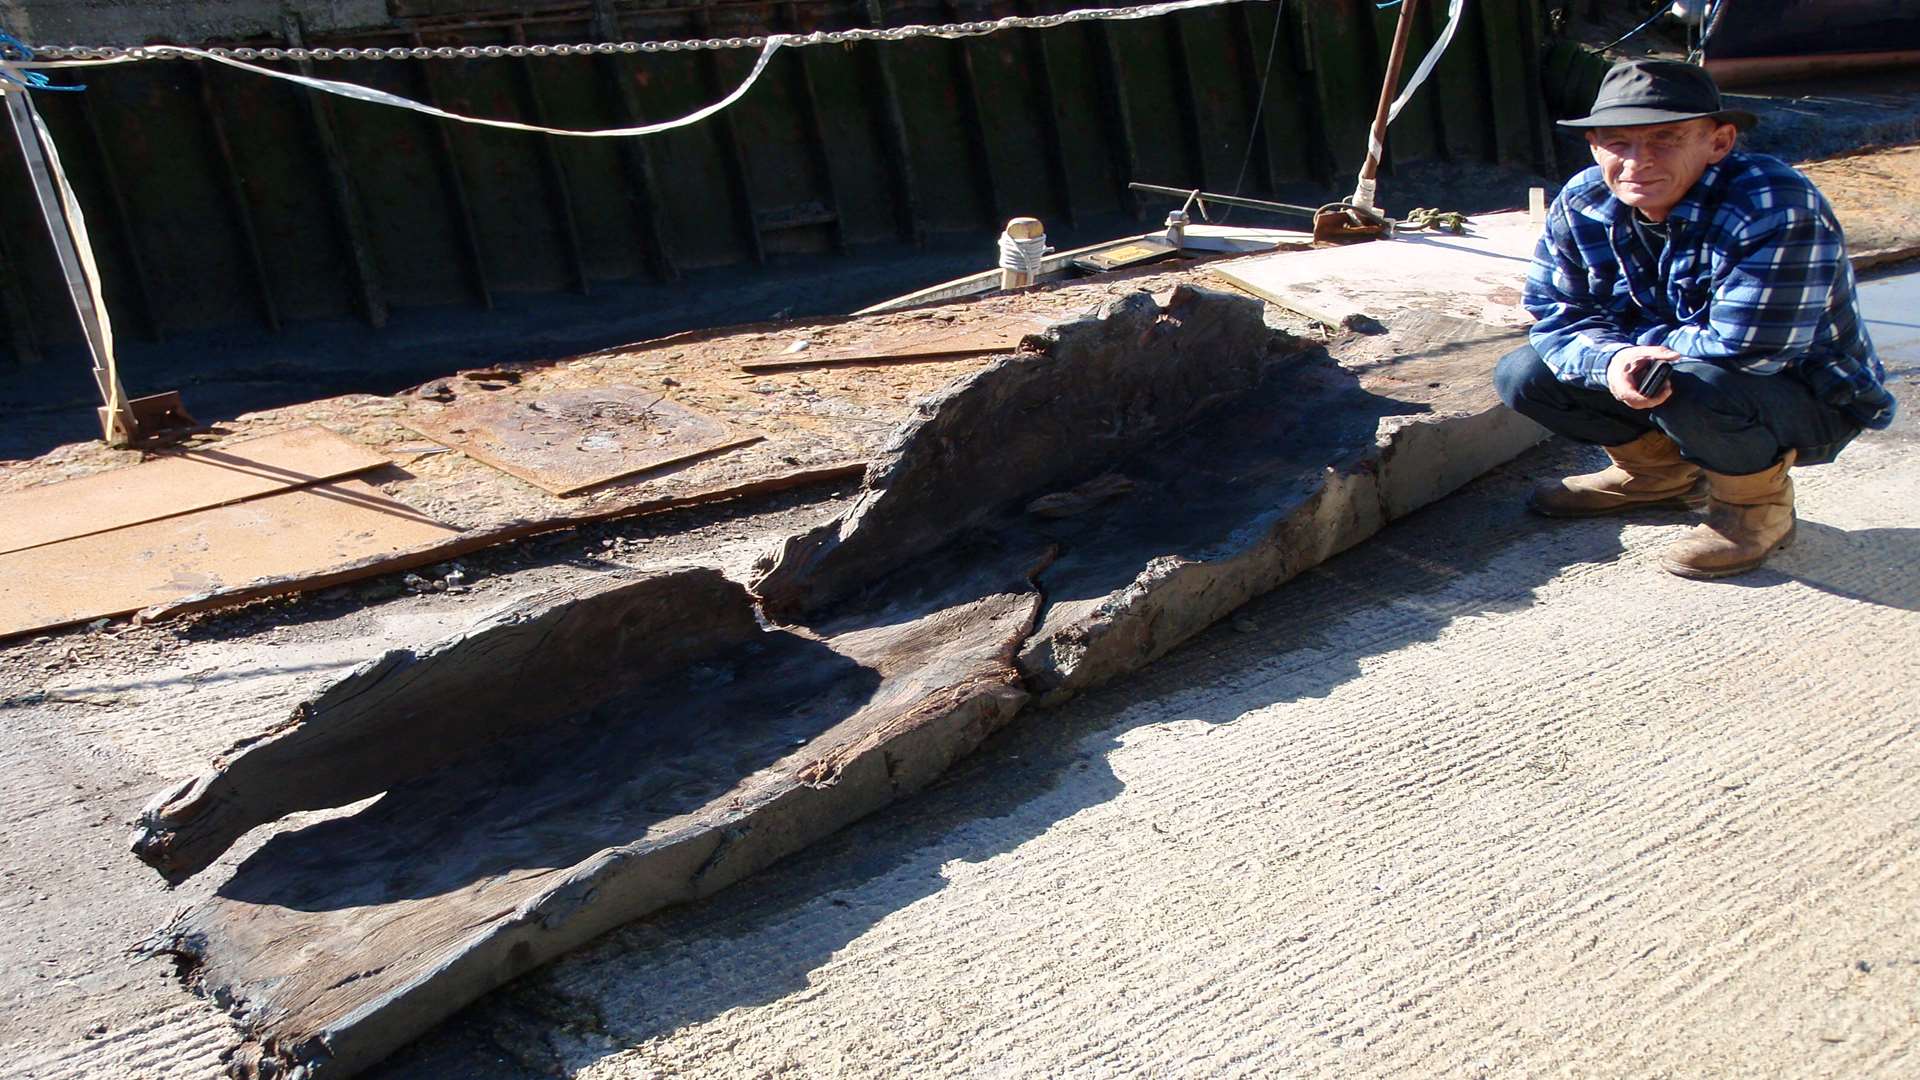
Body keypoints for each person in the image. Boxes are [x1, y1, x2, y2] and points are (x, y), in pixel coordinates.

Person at [1495, 58, 1895, 579]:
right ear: (1594, 144)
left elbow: (1751, 347)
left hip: (1808, 394)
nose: (1638, 162)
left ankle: (1757, 511)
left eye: (1665, 139)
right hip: (1681, 370)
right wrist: (1613, 360)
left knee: (1689, 379)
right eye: (1618, 142)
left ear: (1719, 142)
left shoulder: (1774, 204)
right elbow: (1555, 313)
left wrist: (1630, 354)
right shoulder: (1581, 200)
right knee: (1524, 374)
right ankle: (1659, 477)